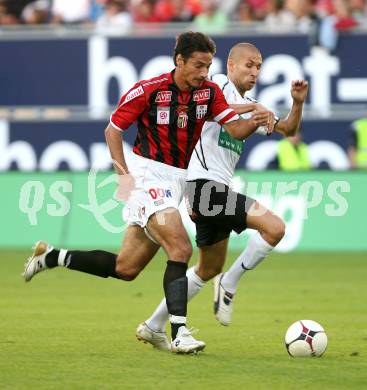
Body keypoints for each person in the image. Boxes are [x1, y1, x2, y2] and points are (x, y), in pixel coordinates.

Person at [22, 32, 272, 354]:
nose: (204, 73)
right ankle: (179, 332)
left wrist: (255, 118)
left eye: (208, 66)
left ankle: (52, 256)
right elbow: (112, 129)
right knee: (180, 247)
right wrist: (123, 177)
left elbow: (235, 128)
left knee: (126, 268)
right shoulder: (149, 90)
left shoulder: (208, 93)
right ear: (179, 61)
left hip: (176, 180)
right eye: (198, 65)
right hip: (145, 174)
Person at [139, 42, 308, 349]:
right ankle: (230, 283)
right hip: (203, 187)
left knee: (207, 269)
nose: (254, 72)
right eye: (249, 65)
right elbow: (233, 128)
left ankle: (153, 325)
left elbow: (287, 129)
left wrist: (296, 103)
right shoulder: (215, 86)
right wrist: (256, 113)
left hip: (216, 190)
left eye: (259, 67)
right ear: (230, 66)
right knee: (275, 227)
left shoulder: (250, 103)